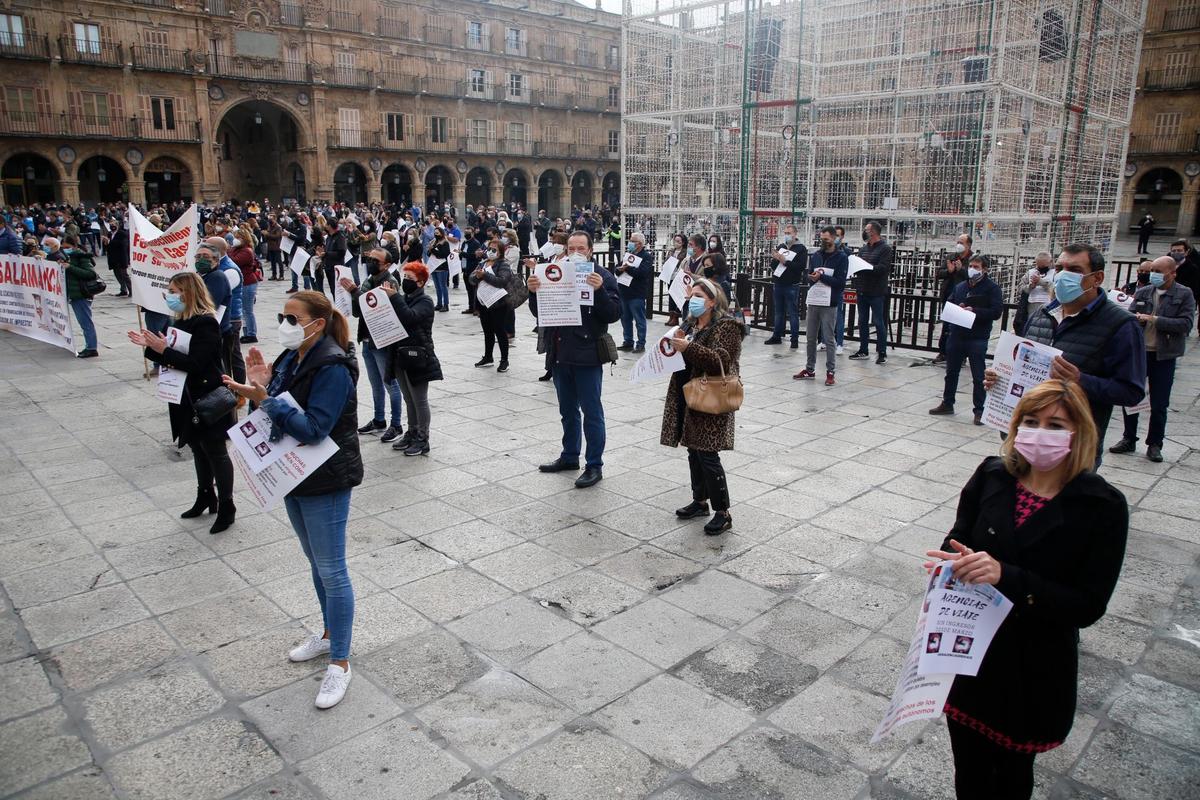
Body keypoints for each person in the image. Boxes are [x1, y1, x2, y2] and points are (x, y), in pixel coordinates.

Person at [924, 379, 1127, 800]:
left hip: (1032, 667)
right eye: (1031, 421)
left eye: (1056, 425)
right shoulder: (993, 474)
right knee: (970, 770)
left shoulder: (1100, 505)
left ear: (1079, 434)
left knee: (1012, 775)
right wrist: (952, 563)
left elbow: (1087, 605)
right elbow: (959, 535)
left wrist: (1006, 576)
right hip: (971, 654)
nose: (1040, 433)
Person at [223, 291, 362, 709]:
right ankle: (327, 634)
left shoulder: (332, 365)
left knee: (332, 569)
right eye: (281, 315)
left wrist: (265, 399)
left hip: (326, 479)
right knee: (315, 562)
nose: (283, 322)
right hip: (295, 475)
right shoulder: (292, 357)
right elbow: (279, 407)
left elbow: (315, 427)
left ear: (316, 324)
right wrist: (263, 385)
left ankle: (340, 662)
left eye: (291, 317)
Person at [995, 244, 1145, 463]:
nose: (1064, 275)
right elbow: (1021, 370)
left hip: (1074, 450)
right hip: (1025, 440)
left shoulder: (1121, 325)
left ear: (1097, 278)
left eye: (1074, 270)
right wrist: (999, 379)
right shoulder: (1041, 316)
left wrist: (1079, 380)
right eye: (1060, 267)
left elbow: (1130, 391)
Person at [130, 272, 237, 533]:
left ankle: (226, 505)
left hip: (207, 396)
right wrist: (153, 346)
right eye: (170, 290)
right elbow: (172, 351)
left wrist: (162, 351)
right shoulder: (179, 320)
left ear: (189, 292)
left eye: (176, 290)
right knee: (197, 448)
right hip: (185, 395)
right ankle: (205, 495)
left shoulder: (206, 322)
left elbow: (197, 363)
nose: (171, 295)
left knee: (215, 451)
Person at [528, 231, 621, 488]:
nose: (575, 252)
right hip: (560, 354)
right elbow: (540, 313)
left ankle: (594, 465)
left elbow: (613, 313)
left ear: (590, 250)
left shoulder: (602, 276)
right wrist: (535, 292)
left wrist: (600, 290)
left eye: (581, 247)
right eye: (571, 248)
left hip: (588, 354)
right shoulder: (555, 271)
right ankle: (569, 456)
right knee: (567, 410)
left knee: (592, 412)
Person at [662, 277, 744, 535]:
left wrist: (688, 348)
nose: (693, 300)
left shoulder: (727, 327)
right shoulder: (691, 323)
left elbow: (720, 359)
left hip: (712, 395)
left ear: (711, 301)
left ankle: (723, 512)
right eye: (691, 295)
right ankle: (700, 501)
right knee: (693, 451)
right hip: (689, 392)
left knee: (708, 454)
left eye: (698, 296)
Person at [1109, 255, 1195, 462]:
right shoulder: (1144, 291)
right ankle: (1129, 437)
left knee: (1159, 402)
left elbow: (1185, 324)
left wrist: (1154, 319)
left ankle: (1155, 443)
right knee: (1131, 396)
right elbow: (1130, 317)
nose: (1153, 275)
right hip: (1140, 353)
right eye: (1152, 271)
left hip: (1164, 355)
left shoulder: (1184, 294)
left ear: (1172, 273)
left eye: (1158, 271)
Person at [929, 254, 1004, 424]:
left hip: (977, 336)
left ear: (984, 269)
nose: (973, 269)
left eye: (977, 267)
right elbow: (950, 302)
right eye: (971, 266)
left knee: (978, 376)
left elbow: (996, 311)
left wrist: (975, 311)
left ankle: (979, 410)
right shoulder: (962, 286)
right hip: (957, 334)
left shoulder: (992, 288)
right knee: (951, 372)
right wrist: (958, 308)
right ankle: (947, 402)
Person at [342, 249, 404, 443]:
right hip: (368, 338)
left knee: (390, 384)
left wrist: (355, 291)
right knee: (375, 383)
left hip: (383, 340)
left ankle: (396, 424)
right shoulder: (370, 279)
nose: (370, 262)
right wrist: (353, 294)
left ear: (386, 264)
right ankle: (379, 419)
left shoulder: (389, 281)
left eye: (375, 260)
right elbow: (358, 311)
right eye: (369, 259)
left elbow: (375, 308)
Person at [383, 262, 443, 455]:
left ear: (421, 282)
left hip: (418, 356)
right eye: (405, 277)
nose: (405, 281)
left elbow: (409, 318)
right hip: (401, 354)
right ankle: (412, 431)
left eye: (410, 278)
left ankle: (423, 439)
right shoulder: (405, 298)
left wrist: (396, 298)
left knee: (420, 400)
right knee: (409, 399)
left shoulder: (424, 301)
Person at [794, 226, 847, 386]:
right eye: (821, 238)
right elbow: (809, 274)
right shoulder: (816, 255)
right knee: (810, 337)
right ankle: (810, 369)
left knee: (829, 338)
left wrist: (822, 277)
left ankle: (830, 371)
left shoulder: (841, 257)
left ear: (833, 238)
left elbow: (840, 282)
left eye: (826, 239)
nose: (823, 241)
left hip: (829, 302)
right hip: (815, 299)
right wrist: (812, 277)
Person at [848, 221, 892, 364]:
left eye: (866, 230)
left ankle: (882, 351)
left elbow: (883, 269)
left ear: (873, 232)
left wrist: (867, 267)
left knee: (879, 322)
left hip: (877, 291)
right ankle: (863, 349)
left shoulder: (885, 249)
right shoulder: (863, 249)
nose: (864, 232)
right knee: (862, 321)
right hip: (862, 289)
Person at [472, 237, 514, 373]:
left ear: (500, 252)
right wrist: (477, 276)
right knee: (487, 331)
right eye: (489, 249)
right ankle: (488, 357)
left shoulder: (503, 264)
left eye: (494, 250)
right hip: (484, 302)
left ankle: (504, 360)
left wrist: (484, 276)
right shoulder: (483, 263)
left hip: (498, 303)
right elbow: (471, 279)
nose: (490, 251)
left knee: (500, 331)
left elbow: (502, 281)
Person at [764, 224, 807, 349]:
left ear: (795, 234)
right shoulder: (782, 246)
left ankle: (794, 339)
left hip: (791, 285)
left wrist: (786, 261)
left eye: (789, 233)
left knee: (793, 313)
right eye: (785, 233)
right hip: (779, 283)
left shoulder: (801, 249)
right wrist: (776, 258)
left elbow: (800, 267)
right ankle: (776, 335)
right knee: (778, 312)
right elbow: (773, 265)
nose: (787, 235)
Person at [934, 234, 973, 363]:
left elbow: (972, 277)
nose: (959, 244)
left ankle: (961, 356)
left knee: (961, 327)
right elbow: (938, 273)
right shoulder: (951, 257)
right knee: (946, 326)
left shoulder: (972, 259)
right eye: (958, 242)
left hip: (964, 298)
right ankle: (943, 352)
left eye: (961, 242)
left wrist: (961, 269)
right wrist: (949, 271)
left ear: (968, 245)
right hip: (948, 296)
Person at [63, 235, 100, 358]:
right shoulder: (69, 257)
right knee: (83, 321)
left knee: (85, 322)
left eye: (67, 247)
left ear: (74, 246)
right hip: (75, 294)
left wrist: (70, 267)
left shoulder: (81, 257)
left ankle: (91, 348)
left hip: (81, 294)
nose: (65, 249)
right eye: (64, 247)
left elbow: (90, 274)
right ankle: (90, 346)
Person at [617, 231, 654, 353]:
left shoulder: (646, 256)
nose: (630, 243)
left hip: (636, 293)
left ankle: (641, 343)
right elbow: (617, 269)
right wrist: (620, 269)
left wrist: (628, 268)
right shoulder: (628, 254)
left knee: (639, 319)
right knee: (625, 319)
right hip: (624, 291)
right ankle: (628, 341)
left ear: (639, 243)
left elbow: (642, 273)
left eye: (632, 241)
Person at [229, 230, 261, 344]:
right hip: (243, 283)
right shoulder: (236, 249)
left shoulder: (246, 251)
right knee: (243, 310)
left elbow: (234, 261)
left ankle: (251, 333)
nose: (235, 239)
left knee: (248, 310)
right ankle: (246, 332)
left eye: (238, 237)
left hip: (248, 283)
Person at [1014, 252, 1055, 335]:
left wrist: (1041, 282)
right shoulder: (1030, 273)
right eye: (1039, 266)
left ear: (1050, 262)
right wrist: (1031, 286)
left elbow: (1056, 290)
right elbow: (1020, 289)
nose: (1041, 268)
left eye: (1044, 266)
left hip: (1049, 309)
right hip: (1030, 310)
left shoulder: (1055, 273)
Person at [1168, 238, 1200, 334]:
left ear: (1186, 252)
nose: (1176, 253)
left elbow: (1194, 289)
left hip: (1182, 302)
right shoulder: (1165, 264)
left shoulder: (1192, 268)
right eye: (1173, 251)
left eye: (1179, 250)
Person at [663, 233, 689, 327]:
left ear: (683, 243)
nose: (676, 243)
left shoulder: (685, 252)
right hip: (670, 275)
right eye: (675, 241)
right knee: (671, 296)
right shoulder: (671, 251)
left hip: (679, 276)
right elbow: (666, 261)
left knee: (677, 297)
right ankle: (671, 316)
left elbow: (685, 263)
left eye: (679, 241)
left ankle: (676, 317)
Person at [428, 225, 452, 311]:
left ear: (441, 233)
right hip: (434, 267)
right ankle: (439, 304)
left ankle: (445, 305)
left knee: (443, 286)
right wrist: (430, 250)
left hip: (442, 267)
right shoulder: (434, 242)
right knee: (437, 287)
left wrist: (433, 250)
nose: (436, 234)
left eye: (437, 233)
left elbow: (444, 254)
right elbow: (429, 254)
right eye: (435, 233)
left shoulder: (445, 243)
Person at [105, 220, 131, 297]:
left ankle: (131, 290)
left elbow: (122, 244)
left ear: (117, 225)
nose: (112, 226)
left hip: (121, 257)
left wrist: (109, 242)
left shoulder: (122, 233)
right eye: (111, 225)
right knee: (117, 275)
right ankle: (123, 290)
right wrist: (106, 243)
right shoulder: (109, 234)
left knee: (124, 275)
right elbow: (108, 247)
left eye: (113, 224)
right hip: (113, 258)